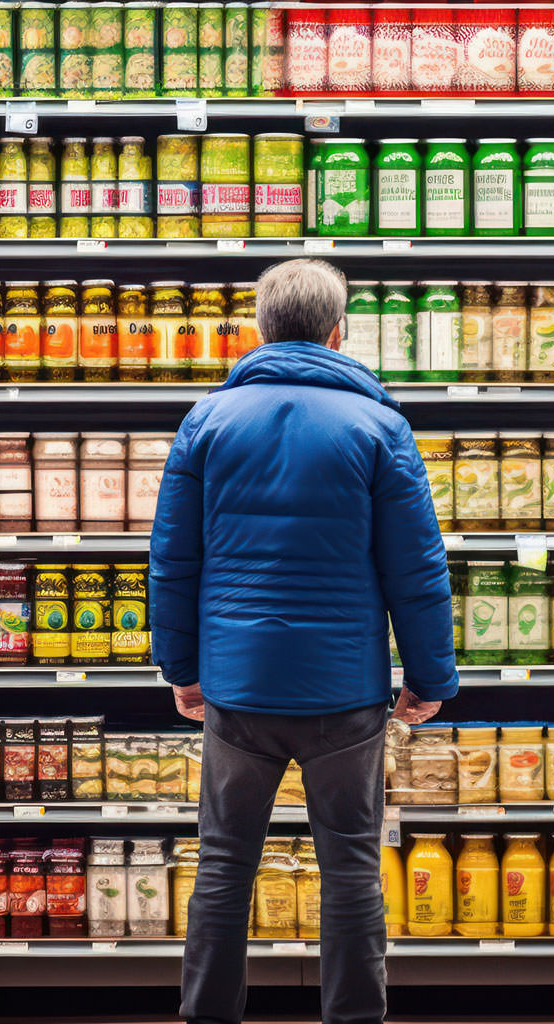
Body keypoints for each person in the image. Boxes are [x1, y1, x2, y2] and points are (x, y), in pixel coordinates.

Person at [149, 258, 458, 1024]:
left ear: (261, 329)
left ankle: (206, 1015)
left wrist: (181, 668)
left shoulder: (208, 421)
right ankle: (355, 1018)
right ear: (336, 331)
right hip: (343, 692)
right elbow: (416, 569)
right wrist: (430, 678)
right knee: (350, 862)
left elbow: (172, 559)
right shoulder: (381, 426)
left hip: (238, 687)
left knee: (224, 862)